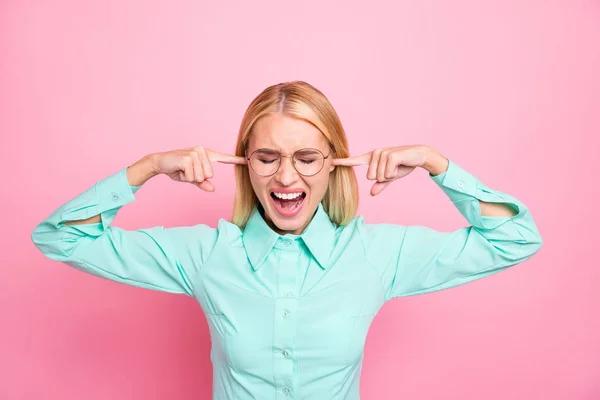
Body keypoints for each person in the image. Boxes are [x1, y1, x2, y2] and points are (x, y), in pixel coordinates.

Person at [31, 81, 543, 400]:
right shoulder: (207, 255)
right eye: (267, 156)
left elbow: (516, 239)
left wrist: (436, 164)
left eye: (307, 157)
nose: (286, 177)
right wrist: (147, 168)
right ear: (244, 164)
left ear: (335, 163)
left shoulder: (376, 255)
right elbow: (59, 238)